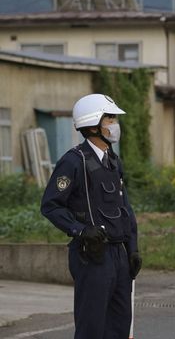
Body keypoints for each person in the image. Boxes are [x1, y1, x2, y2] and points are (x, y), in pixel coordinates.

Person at [41, 94, 142, 339]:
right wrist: (80, 230)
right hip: (93, 255)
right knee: (92, 327)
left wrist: (133, 249)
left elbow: (124, 210)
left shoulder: (113, 162)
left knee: (119, 325)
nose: (115, 124)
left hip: (119, 255)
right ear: (93, 123)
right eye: (110, 118)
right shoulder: (73, 161)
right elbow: (51, 206)